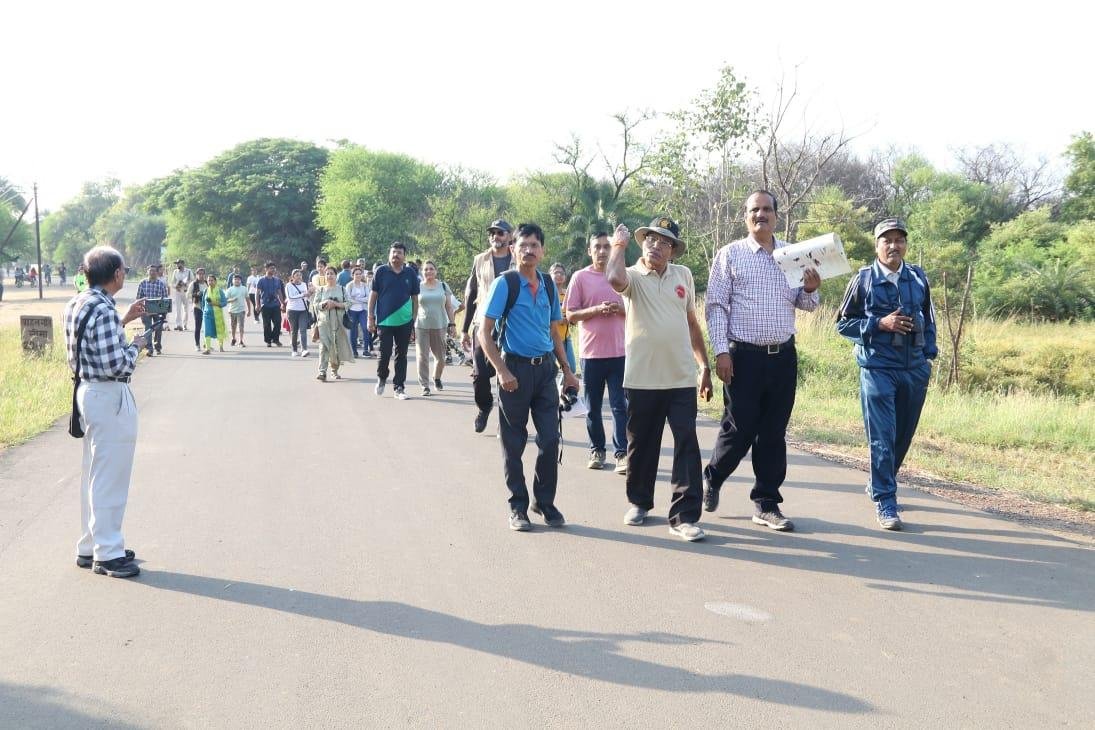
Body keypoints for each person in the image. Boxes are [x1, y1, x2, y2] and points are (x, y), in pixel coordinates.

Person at [702, 190, 820, 532]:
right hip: (743, 358)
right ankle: (713, 476)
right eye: (755, 210)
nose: (761, 215)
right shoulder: (730, 255)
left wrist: (811, 289)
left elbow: (807, 305)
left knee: (773, 432)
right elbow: (716, 307)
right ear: (746, 216)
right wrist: (721, 351)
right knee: (739, 429)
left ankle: (766, 503)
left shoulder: (792, 255)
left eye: (767, 209)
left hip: (782, 357)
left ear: (776, 216)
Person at [605, 217, 712, 542]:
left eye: (664, 242)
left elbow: (691, 323)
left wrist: (704, 366)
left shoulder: (683, 275)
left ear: (673, 250)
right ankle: (639, 502)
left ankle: (684, 517)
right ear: (642, 244)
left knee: (687, 444)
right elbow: (613, 278)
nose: (656, 245)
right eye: (651, 239)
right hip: (642, 378)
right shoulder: (633, 276)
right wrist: (618, 245)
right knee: (642, 445)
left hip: (681, 377)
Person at [837, 218, 937, 530]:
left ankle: (880, 482)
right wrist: (880, 324)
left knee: (902, 435)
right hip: (877, 368)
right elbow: (843, 324)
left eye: (899, 240)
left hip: (914, 369)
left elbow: (929, 318)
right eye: (887, 240)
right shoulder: (863, 280)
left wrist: (928, 357)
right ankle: (885, 500)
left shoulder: (917, 277)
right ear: (876, 245)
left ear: (905, 244)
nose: (894, 246)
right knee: (882, 436)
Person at [479, 223, 580, 531]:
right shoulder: (505, 284)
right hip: (515, 371)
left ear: (542, 251)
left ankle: (544, 502)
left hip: (545, 371)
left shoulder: (548, 284)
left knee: (550, 439)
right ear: (513, 250)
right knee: (514, 443)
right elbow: (484, 332)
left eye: (534, 245)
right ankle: (518, 507)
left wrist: (567, 371)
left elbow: (554, 331)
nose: (528, 250)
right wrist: (502, 371)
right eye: (522, 245)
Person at [63, 245, 148, 578]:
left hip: (86, 391)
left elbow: (91, 344)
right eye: (123, 270)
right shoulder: (104, 310)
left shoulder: (77, 303)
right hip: (109, 395)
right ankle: (109, 553)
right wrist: (137, 346)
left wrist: (123, 320)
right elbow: (118, 365)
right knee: (110, 478)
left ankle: (90, 545)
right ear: (116, 273)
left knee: (93, 474)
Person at [565, 232, 628, 473]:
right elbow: (570, 315)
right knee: (592, 408)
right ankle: (597, 450)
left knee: (620, 406)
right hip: (591, 355)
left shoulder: (623, 275)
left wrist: (619, 308)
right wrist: (596, 310)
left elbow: (637, 308)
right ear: (589, 251)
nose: (602, 251)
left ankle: (622, 453)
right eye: (597, 247)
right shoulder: (580, 277)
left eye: (607, 246)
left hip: (620, 353)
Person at [462, 219, 515, 432]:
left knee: (508, 372)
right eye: (492, 233)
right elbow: (471, 293)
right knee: (480, 374)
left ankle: (507, 422)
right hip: (483, 323)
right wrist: (464, 329)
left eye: (500, 233)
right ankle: (484, 407)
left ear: (510, 236)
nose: (495, 236)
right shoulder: (480, 260)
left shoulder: (518, 259)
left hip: (511, 324)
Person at [368, 242, 419, 400]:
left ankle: (399, 387)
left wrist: (414, 319)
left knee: (401, 355)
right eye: (393, 252)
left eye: (399, 253)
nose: (396, 255)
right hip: (385, 321)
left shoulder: (410, 273)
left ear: (404, 256)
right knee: (384, 354)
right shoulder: (381, 271)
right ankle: (382, 377)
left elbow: (415, 298)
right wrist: (370, 317)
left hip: (405, 321)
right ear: (389, 254)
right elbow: (373, 295)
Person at [415, 261, 457, 396]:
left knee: (441, 358)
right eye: (426, 269)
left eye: (431, 269)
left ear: (436, 271)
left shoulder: (443, 286)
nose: (428, 272)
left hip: (440, 325)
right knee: (422, 357)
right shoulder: (418, 286)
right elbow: (414, 307)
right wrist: (410, 325)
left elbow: (449, 307)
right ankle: (425, 386)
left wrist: (452, 324)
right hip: (421, 326)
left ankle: (437, 377)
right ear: (422, 272)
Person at [313, 267, 355, 381]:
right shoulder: (321, 290)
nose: (329, 276)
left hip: (338, 322)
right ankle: (322, 371)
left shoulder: (342, 289)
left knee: (336, 346)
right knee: (324, 346)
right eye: (327, 274)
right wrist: (324, 303)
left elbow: (349, 303)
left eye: (331, 273)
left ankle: (334, 370)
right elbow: (315, 305)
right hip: (323, 322)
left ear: (336, 276)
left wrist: (335, 304)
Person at [548, 263, 577, 375]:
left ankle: (563, 385)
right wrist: (558, 320)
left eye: (562, 273)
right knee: (550, 371)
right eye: (556, 272)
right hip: (549, 337)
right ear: (549, 275)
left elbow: (574, 314)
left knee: (571, 369)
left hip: (565, 337)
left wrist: (572, 319)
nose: (559, 275)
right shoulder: (545, 293)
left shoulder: (568, 294)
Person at [136, 264, 169, 356]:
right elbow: (138, 298)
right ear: (147, 272)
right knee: (148, 328)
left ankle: (157, 346)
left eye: (154, 271)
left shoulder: (161, 284)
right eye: (150, 270)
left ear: (157, 272)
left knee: (158, 328)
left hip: (158, 310)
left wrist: (164, 312)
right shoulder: (143, 283)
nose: (152, 272)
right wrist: (140, 310)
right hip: (146, 310)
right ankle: (149, 348)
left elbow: (165, 299)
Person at [284, 269, 313, 357]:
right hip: (292, 310)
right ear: (293, 277)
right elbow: (290, 297)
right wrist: (303, 295)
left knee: (303, 330)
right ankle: (294, 350)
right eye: (297, 275)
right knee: (294, 330)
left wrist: (309, 294)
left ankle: (304, 350)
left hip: (303, 310)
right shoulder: (288, 286)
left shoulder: (304, 284)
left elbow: (306, 298)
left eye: (300, 275)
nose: (299, 277)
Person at [256, 261, 285, 347]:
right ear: (266, 269)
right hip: (265, 305)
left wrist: (282, 303)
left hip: (276, 305)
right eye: (271, 268)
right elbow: (257, 293)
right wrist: (257, 304)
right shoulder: (261, 280)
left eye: (274, 268)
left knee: (278, 322)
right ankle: (268, 341)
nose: (273, 270)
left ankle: (275, 339)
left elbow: (279, 292)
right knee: (267, 324)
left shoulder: (277, 280)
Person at [345, 266, 371, 358]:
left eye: (360, 274)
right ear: (353, 275)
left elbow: (368, 298)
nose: (358, 276)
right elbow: (348, 298)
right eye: (356, 274)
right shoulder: (349, 285)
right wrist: (360, 300)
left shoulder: (365, 285)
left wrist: (357, 299)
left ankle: (366, 350)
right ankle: (354, 351)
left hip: (362, 310)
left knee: (365, 328)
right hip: (352, 311)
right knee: (353, 331)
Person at [201, 274, 228, 354]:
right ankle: (208, 349)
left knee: (219, 331)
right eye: (208, 280)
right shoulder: (206, 291)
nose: (210, 282)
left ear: (215, 281)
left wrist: (215, 303)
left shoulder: (220, 291)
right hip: (207, 314)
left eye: (212, 280)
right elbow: (203, 303)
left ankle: (221, 347)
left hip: (217, 315)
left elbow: (224, 302)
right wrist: (204, 311)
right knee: (207, 331)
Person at [187, 268, 209, 353]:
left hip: (207, 307)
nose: (201, 275)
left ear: (205, 275)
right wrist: (196, 294)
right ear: (196, 275)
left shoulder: (207, 283)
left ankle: (207, 344)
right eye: (199, 274)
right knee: (198, 327)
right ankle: (197, 344)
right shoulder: (193, 284)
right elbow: (188, 295)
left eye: (202, 274)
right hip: (197, 307)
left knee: (207, 327)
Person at [225, 273, 249, 347]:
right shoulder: (230, 289)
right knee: (233, 326)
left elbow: (247, 299)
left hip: (241, 310)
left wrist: (249, 310)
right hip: (232, 311)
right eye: (235, 279)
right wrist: (232, 300)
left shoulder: (244, 288)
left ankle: (241, 341)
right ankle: (233, 338)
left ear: (240, 281)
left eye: (238, 279)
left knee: (241, 326)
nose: (237, 281)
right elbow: (225, 300)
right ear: (232, 281)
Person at [170, 260, 194, 330]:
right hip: (178, 291)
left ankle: (185, 325)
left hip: (186, 291)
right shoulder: (175, 272)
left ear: (182, 264)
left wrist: (186, 284)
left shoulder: (188, 271)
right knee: (178, 308)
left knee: (186, 309)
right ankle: (178, 325)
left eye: (178, 264)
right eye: (176, 264)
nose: (177, 265)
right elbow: (172, 282)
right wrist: (176, 286)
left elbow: (193, 281)